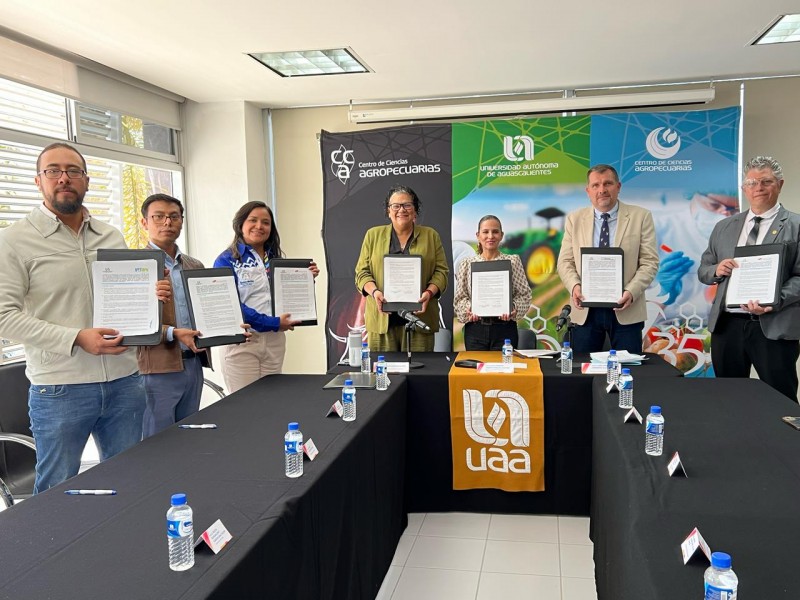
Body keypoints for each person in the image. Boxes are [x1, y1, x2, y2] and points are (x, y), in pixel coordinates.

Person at [0, 142, 170, 492]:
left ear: (87, 181)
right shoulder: (13, 240)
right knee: (57, 490)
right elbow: (4, 316)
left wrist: (152, 293)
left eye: (73, 171)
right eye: (53, 171)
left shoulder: (110, 235)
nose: (64, 178)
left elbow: (124, 299)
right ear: (38, 181)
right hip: (61, 387)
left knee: (127, 482)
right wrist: (76, 338)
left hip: (125, 381)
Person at [698, 156, 800, 401]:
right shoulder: (724, 226)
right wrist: (716, 270)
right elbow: (704, 269)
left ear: (780, 184)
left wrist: (775, 299)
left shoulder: (796, 225)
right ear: (744, 188)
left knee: (780, 400)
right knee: (728, 398)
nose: (758, 188)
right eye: (752, 183)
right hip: (727, 326)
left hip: (773, 326)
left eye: (766, 181)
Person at [214, 201, 318, 393]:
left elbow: (284, 296)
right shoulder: (226, 260)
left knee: (272, 402)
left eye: (266, 222)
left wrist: (305, 279)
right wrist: (273, 323)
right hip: (243, 342)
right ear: (240, 224)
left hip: (274, 341)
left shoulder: (275, 259)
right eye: (253, 220)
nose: (259, 226)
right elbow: (232, 305)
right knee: (245, 404)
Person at [557, 164, 659, 354]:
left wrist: (631, 291)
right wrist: (574, 286)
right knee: (582, 368)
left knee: (628, 368)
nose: (602, 190)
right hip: (585, 310)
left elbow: (649, 262)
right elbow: (565, 262)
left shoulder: (641, 216)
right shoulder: (574, 219)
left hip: (626, 308)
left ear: (618, 187)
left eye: (607, 183)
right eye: (595, 185)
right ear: (588, 191)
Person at [137, 194, 209, 437]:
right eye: (158, 216)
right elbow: (131, 323)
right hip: (157, 367)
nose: (167, 222)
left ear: (181, 221)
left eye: (174, 217)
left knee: (188, 437)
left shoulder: (194, 265)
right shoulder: (135, 267)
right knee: (157, 441)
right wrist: (172, 333)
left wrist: (228, 328)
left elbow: (206, 310)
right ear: (144, 222)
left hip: (194, 362)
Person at [355, 184, 449, 352]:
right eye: (396, 206)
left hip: (420, 319)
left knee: (420, 367)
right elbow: (362, 273)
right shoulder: (372, 235)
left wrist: (429, 293)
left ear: (415, 210)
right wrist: (375, 292)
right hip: (382, 321)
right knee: (383, 368)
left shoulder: (431, 235)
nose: (401, 210)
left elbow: (441, 272)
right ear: (388, 211)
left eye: (407, 205)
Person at [453, 215, 532, 350]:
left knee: (504, 364)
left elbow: (525, 295)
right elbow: (460, 299)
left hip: (505, 330)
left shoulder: (512, 261)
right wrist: (469, 309)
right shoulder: (466, 264)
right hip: (475, 330)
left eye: (495, 232)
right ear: (478, 236)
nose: (490, 236)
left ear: (501, 235)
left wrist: (513, 308)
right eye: (485, 232)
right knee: (476, 364)